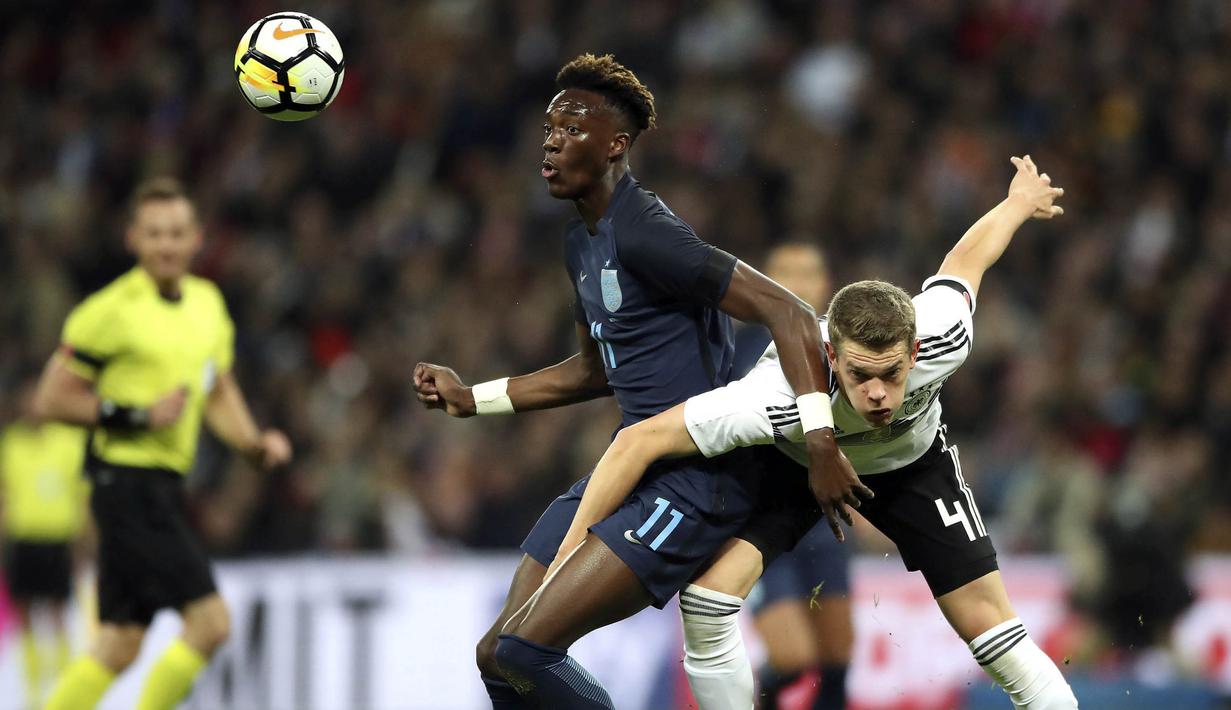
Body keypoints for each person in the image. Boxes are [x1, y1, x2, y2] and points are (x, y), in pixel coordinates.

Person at [412, 53, 864, 708]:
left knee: (524, 651)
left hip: (696, 480)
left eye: (572, 130)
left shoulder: (649, 232)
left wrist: (821, 443)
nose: (550, 143)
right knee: (497, 656)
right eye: (548, 129)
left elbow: (789, 311)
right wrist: (471, 399)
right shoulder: (581, 242)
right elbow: (596, 369)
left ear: (615, 145)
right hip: (633, 467)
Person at [552, 156, 1079, 708]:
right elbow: (638, 439)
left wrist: (1018, 203)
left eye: (891, 374)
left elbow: (964, 261)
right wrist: (569, 551)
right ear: (829, 354)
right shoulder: (774, 393)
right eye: (859, 375)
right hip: (797, 466)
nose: (877, 394)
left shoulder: (944, 335)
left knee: (994, 631)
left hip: (913, 465)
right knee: (707, 602)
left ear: (915, 352)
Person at [35, 178, 293, 710]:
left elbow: (216, 389)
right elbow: (51, 399)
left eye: (176, 233)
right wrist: (136, 415)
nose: (166, 245)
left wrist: (252, 445)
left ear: (197, 238)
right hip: (126, 484)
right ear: (132, 239)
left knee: (119, 645)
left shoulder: (207, 304)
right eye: (154, 234)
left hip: (162, 487)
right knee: (211, 623)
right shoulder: (108, 311)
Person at [733, 243, 853, 710]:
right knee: (792, 659)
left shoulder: (845, 349)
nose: (798, 283)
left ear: (827, 285)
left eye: (809, 273)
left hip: (824, 523)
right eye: (786, 272)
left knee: (837, 660)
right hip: (761, 524)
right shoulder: (738, 351)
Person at [1, 374, 89, 709]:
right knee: (24, 614)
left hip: (58, 540)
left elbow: (81, 496)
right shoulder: (12, 443)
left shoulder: (68, 441)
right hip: (24, 540)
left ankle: (64, 686)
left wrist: (83, 542)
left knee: (57, 613)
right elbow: (5, 494)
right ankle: (34, 689)